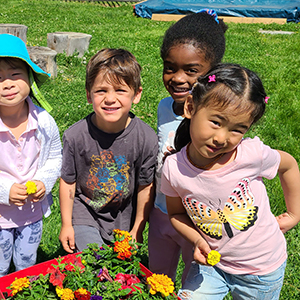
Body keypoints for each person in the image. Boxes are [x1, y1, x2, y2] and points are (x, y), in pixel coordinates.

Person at [161, 63, 300, 299]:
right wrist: (196, 240)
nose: (222, 138)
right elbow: (176, 214)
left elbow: (288, 165)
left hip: (261, 271)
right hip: (211, 267)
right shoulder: (174, 168)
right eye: (216, 122)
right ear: (191, 107)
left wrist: (294, 213)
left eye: (238, 129)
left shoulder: (251, 155)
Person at [148, 10, 228, 285]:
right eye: (170, 67)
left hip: (198, 223)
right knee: (157, 280)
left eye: (191, 70)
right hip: (161, 213)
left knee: (193, 284)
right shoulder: (163, 107)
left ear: (212, 72)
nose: (178, 78)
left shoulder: (218, 120)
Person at [59, 48, 158, 253]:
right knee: (93, 261)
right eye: (101, 90)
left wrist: (138, 227)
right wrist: (67, 224)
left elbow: (145, 185)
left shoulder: (146, 137)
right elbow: (68, 182)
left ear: (136, 94)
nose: (110, 99)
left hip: (123, 215)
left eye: (120, 90)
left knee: (120, 269)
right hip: (85, 210)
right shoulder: (75, 136)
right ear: (88, 95)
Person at [0, 34, 62, 276]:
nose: (7, 83)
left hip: (31, 213)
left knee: (27, 261)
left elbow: (55, 157)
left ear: (30, 77)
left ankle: (25, 288)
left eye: (15, 74)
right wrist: (4, 190)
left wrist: (43, 182)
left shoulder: (43, 121)